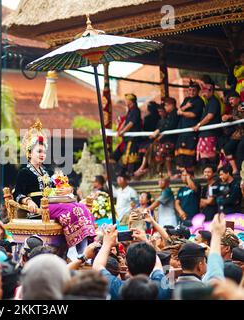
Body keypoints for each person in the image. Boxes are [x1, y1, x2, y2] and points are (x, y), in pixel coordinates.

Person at [13, 120, 95, 256]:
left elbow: (58, 188)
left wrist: (67, 190)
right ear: (29, 153)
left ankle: (85, 246)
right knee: (71, 209)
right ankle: (79, 251)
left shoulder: (48, 172)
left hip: (54, 204)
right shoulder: (24, 172)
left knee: (81, 207)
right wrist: (28, 201)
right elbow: (18, 193)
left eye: (44, 152)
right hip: (39, 209)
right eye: (39, 151)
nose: (42, 154)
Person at [92, 225, 171, 300]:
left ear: (128, 269)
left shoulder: (117, 288)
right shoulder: (163, 287)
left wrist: (106, 244)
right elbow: (157, 266)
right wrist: (146, 241)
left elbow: (97, 267)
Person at [175, 80, 204, 174]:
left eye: (194, 90)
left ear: (198, 91)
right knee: (180, 152)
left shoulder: (199, 101)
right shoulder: (186, 99)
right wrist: (186, 107)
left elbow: (193, 114)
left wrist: (182, 112)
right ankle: (181, 172)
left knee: (189, 151)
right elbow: (178, 111)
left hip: (191, 130)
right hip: (183, 129)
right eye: (190, 90)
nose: (191, 92)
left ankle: (189, 173)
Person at [193, 78, 222, 168]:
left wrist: (198, 125)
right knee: (203, 156)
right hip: (205, 134)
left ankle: (212, 175)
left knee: (209, 157)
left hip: (210, 133)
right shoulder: (209, 102)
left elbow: (210, 116)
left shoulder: (214, 101)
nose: (203, 94)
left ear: (211, 90)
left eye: (205, 91)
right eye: (202, 91)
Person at [152, 98, 180, 177]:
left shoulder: (174, 114)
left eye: (166, 105)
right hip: (167, 139)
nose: (165, 107)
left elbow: (170, 126)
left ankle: (168, 172)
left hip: (172, 139)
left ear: (172, 105)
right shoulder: (169, 115)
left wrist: (159, 132)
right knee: (159, 152)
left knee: (162, 152)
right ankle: (163, 173)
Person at [117, 93, 142, 176]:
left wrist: (123, 132)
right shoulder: (130, 111)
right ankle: (126, 172)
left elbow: (131, 123)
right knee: (126, 154)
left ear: (130, 101)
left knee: (131, 154)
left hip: (133, 138)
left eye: (126, 100)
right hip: (128, 138)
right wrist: (120, 129)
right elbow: (125, 122)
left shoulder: (136, 110)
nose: (125, 102)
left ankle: (131, 173)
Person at [221, 91, 244, 174]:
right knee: (227, 148)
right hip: (238, 134)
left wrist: (230, 117)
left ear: (238, 99)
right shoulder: (233, 109)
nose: (230, 101)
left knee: (240, 148)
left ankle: (241, 170)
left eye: (232, 99)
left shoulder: (242, 105)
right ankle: (235, 170)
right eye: (229, 100)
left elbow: (241, 116)